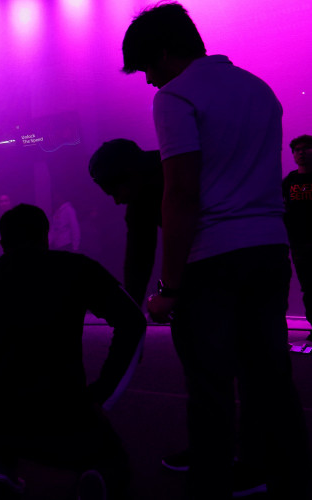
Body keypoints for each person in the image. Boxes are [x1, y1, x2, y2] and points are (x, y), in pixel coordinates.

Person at [123, 3, 310, 498]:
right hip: (270, 246)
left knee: (210, 381)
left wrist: (169, 287)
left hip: (214, 255)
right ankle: (285, 473)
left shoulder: (175, 96)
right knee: (270, 372)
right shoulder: (260, 90)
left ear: (165, 52)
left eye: (147, 67)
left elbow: (181, 193)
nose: (147, 81)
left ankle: (213, 483)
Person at [0, 203, 146, 499]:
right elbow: (133, 321)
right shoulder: (75, 268)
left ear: (1, 242)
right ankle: (97, 476)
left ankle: (0, 463)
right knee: (113, 459)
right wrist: (102, 393)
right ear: (46, 235)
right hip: (59, 406)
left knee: (2, 401)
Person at [89, 139, 162, 307]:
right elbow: (138, 258)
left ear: (130, 175)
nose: (117, 201)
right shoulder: (140, 197)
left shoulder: (176, 174)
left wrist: (131, 310)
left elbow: (138, 258)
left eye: (115, 192)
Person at [282, 134, 312, 342]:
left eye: (305, 148)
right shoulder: (290, 181)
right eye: (297, 150)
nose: (300, 152)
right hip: (299, 242)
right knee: (308, 286)